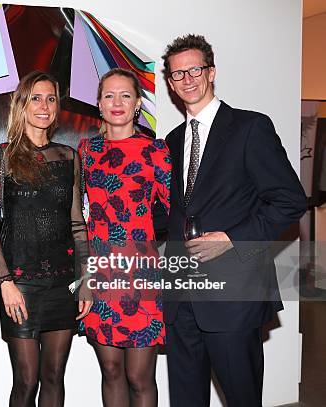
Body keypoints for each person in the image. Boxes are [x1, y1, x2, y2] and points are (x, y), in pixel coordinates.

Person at [161, 34, 307, 406]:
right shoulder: (172, 141)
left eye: (195, 69)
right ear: (170, 83)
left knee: (241, 397)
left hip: (233, 293)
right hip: (181, 297)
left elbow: (289, 201)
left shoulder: (249, 127)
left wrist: (232, 238)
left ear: (211, 72)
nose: (187, 79)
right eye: (178, 74)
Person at [0, 71, 92, 407]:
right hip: (21, 284)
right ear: (22, 105)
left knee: (54, 377)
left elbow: (77, 222)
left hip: (62, 284)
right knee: (26, 381)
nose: (44, 106)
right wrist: (6, 282)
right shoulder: (0, 155)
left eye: (51, 98)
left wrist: (84, 281)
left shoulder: (70, 157)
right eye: (35, 98)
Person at [77, 68, 170, 407]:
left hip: (140, 273)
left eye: (125, 95)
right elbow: (76, 214)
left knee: (139, 376)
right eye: (109, 96)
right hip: (98, 272)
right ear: (98, 104)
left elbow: (178, 211)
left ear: (138, 105)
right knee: (112, 371)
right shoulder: (86, 151)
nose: (117, 103)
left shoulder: (155, 152)